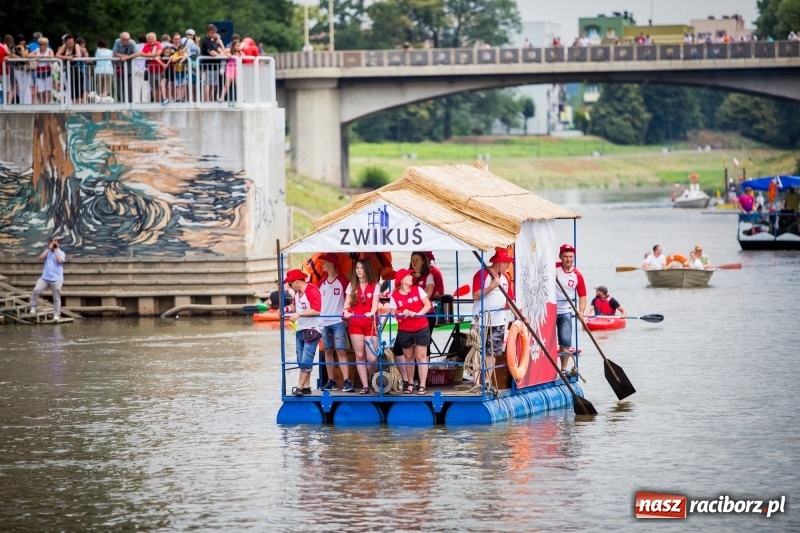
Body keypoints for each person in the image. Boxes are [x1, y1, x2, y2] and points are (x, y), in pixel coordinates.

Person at [471, 248, 516, 388]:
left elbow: (509, 300)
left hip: (498, 321)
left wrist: (519, 316)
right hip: (481, 321)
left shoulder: (505, 278)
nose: (509, 266)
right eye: (507, 263)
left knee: (493, 352)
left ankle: (487, 381)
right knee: (478, 351)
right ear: (500, 263)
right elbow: (475, 295)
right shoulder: (482, 274)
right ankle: (476, 382)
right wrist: (491, 287)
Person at [389, 268, 432, 395]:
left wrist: (418, 314)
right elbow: (393, 313)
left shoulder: (417, 289)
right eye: (408, 276)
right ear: (402, 280)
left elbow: (427, 305)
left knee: (421, 357)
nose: (411, 277)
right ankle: (410, 384)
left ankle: (422, 385)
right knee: (408, 357)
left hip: (421, 326)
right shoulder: (395, 295)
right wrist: (402, 313)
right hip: (405, 329)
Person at [342, 259, 380, 394]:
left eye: (361, 268)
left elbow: (375, 305)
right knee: (359, 355)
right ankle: (365, 386)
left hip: (370, 323)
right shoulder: (352, 286)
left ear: (367, 270)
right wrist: (346, 312)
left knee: (372, 358)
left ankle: (371, 378)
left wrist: (371, 312)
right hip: (356, 323)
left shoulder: (375, 285)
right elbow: (346, 304)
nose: (358, 270)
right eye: (357, 268)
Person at [316, 253, 353, 393]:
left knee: (341, 350)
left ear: (331, 264)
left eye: (324, 262)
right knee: (328, 350)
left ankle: (347, 381)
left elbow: (348, 300)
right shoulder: (322, 283)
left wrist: (346, 317)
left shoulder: (343, 281)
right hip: (324, 321)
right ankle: (330, 380)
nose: (322, 265)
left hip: (338, 320)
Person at [283, 269, 323, 397]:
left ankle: (299, 387)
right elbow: (294, 306)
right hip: (301, 329)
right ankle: (306, 386)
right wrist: (285, 309)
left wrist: (299, 314)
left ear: (296, 282)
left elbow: (317, 310)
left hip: (313, 328)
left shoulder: (312, 290)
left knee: (307, 358)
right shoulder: (297, 293)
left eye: (289, 284)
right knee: (300, 359)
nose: (288, 286)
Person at [555, 244, 586, 375]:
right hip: (550, 310)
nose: (568, 259)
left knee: (565, 341)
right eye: (565, 256)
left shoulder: (577, 275)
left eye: (571, 257)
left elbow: (582, 295)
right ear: (561, 257)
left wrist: (581, 311)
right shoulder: (553, 267)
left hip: (566, 310)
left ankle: (563, 369)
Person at [29, 238, 66, 320]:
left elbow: (59, 261)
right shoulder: (48, 252)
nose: (54, 244)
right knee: (36, 290)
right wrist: (49, 248)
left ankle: (56, 314)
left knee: (56, 297)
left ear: (59, 244)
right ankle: (33, 307)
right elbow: (41, 257)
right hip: (45, 277)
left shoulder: (61, 253)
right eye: (53, 242)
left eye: (56, 243)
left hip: (56, 278)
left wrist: (56, 250)